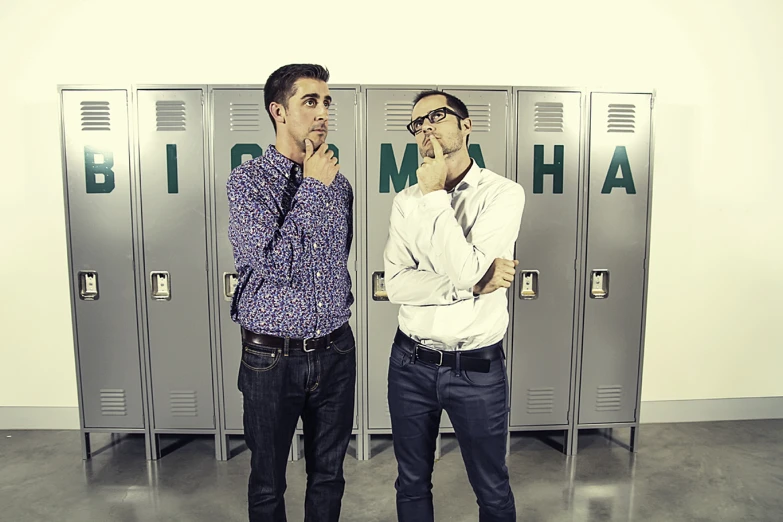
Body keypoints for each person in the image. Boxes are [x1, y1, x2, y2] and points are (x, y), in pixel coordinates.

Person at [383, 89, 525, 522]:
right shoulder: (405, 201)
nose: (426, 128)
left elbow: (465, 269)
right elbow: (397, 285)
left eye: (436, 117)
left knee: (491, 486)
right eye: (417, 124)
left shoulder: (502, 194)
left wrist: (435, 196)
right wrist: (474, 285)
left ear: (466, 125)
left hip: (477, 369)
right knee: (410, 481)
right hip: (410, 363)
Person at [227, 63, 356, 522]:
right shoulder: (248, 183)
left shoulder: (340, 186)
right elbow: (272, 268)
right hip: (271, 360)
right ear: (278, 111)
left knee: (329, 475)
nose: (322, 112)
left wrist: (323, 188)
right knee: (268, 481)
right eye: (310, 101)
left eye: (326, 102)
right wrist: (313, 190)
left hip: (336, 350)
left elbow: (334, 261)